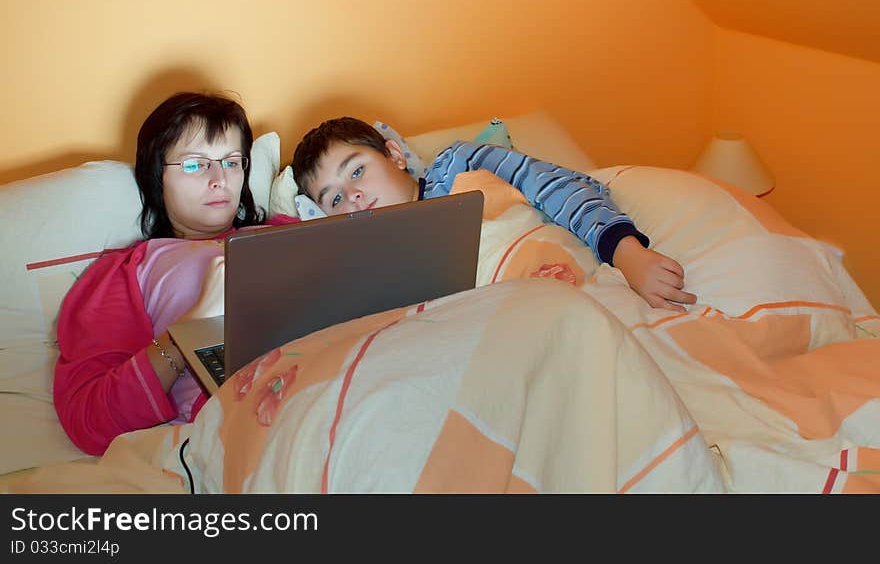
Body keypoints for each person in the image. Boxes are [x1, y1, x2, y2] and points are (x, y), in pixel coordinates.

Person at [53, 92, 298, 456]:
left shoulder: (290, 230)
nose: (220, 180)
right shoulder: (128, 271)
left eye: (231, 162)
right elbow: (89, 420)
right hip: (258, 423)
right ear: (156, 177)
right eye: (195, 165)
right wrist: (191, 328)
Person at [291, 116, 697, 312]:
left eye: (357, 171)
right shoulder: (376, 267)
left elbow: (557, 187)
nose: (354, 197)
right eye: (334, 200)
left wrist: (626, 253)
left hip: (581, 299)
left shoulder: (460, 164)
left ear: (395, 155)